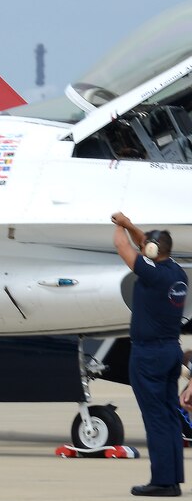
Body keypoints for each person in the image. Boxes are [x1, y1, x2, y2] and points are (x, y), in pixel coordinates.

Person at [113, 211, 188, 497]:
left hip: (149, 355)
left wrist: (119, 225)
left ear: (152, 250)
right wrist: (130, 224)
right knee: (168, 417)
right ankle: (172, 480)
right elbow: (142, 242)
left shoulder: (152, 274)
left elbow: (122, 245)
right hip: (170, 350)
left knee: (156, 418)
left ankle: (162, 482)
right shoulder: (176, 272)